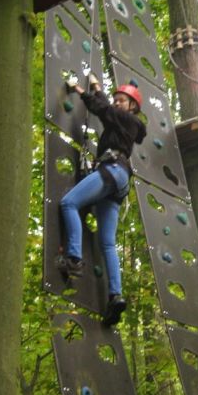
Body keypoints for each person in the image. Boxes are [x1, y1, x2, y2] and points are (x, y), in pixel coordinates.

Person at [58, 73, 146, 326]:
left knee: (69, 203)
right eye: (116, 99)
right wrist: (97, 86)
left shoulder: (125, 118)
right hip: (119, 181)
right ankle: (115, 296)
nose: (117, 103)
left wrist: (78, 89)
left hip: (112, 170)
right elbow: (107, 107)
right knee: (107, 243)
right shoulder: (123, 121)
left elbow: (102, 108)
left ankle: (74, 259)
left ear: (132, 106)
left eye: (122, 100)